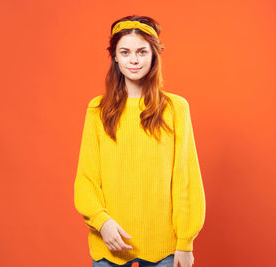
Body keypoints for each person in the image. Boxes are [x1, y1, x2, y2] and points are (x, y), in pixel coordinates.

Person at [74, 15, 206, 267]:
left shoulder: (175, 108)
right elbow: (86, 179)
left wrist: (185, 242)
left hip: (164, 247)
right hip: (110, 241)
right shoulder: (97, 110)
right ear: (115, 56)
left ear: (154, 55)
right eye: (125, 52)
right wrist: (102, 222)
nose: (133, 59)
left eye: (142, 51)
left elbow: (185, 179)